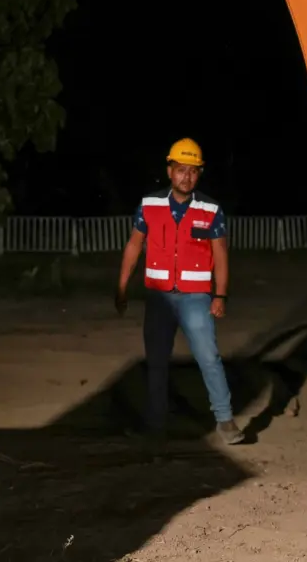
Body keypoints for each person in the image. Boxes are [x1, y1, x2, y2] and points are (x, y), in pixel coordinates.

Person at [115, 137, 245, 446]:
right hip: (159, 298)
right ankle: (156, 424)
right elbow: (134, 246)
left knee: (208, 357)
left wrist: (220, 295)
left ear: (199, 174)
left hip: (195, 299)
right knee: (157, 361)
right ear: (169, 170)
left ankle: (225, 420)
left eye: (193, 171)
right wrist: (121, 287)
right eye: (180, 169)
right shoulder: (149, 205)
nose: (186, 177)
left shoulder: (210, 209)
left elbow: (221, 254)